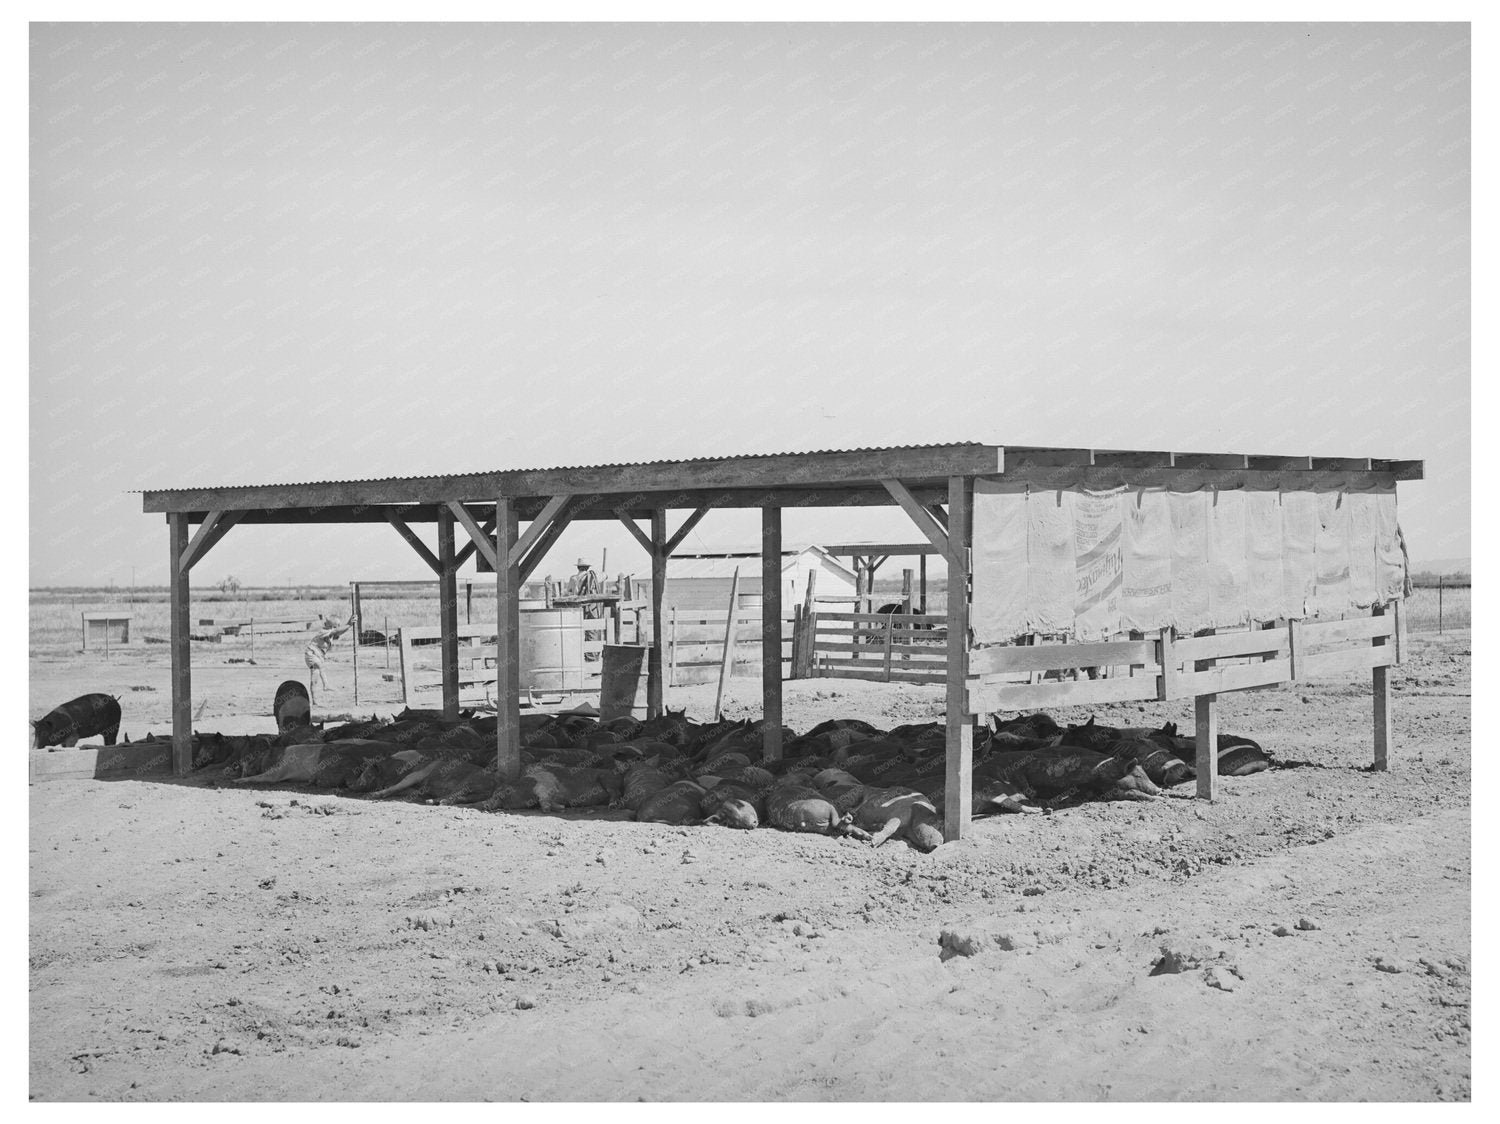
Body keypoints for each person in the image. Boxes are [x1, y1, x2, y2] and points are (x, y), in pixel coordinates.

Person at [304, 612, 355, 703]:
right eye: (337, 626)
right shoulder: (323, 632)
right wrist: (349, 624)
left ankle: (314, 701)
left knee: (314, 678)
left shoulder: (331, 633)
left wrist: (349, 624)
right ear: (333, 626)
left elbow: (340, 632)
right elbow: (337, 631)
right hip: (312, 654)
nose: (338, 627)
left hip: (318, 656)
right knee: (320, 666)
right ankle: (326, 685)